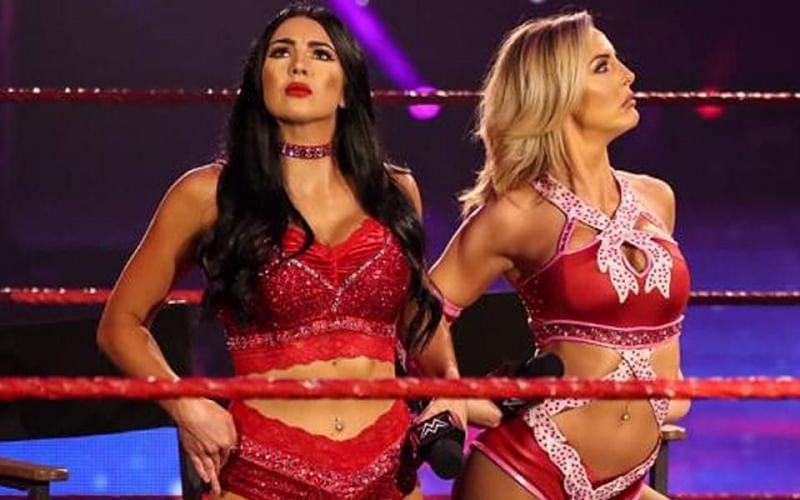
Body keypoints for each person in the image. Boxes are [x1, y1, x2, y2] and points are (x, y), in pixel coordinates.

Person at [96, 4, 450, 499]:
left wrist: (449, 390)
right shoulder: (208, 195)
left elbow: (420, 320)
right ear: (259, 81)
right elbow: (120, 324)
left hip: (390, 474)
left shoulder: (395, 192)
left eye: (320, 54)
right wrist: (184, 404)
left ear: (346, 89)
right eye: (281, 52)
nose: (298, 65)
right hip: (263, 474)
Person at [428, 11, 692, 500]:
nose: (628, 75)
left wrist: (665, 393)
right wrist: (453, 392)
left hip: (626, 483)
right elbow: (419, 312)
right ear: (556, 91)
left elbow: (657, 344)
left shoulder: (657, 198)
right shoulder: (516, 214)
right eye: (602, 66)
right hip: (526, 474)